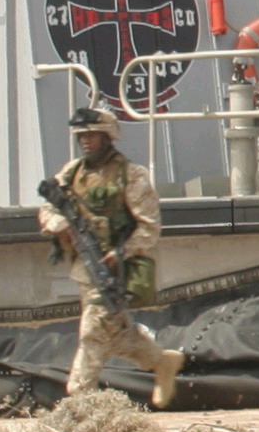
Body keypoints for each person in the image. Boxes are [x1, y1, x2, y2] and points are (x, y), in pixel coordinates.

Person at [35, 107, 186, 407]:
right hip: (85, 266)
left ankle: (78, 398)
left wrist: (121, 252)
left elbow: (149, 228)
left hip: (118, 269)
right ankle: (162, 363)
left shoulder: (131, 175)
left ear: (108, 137)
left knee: (93, 331)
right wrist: (61, 224)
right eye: (82, 135)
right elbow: (48, 208)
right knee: (113, 333)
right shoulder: (72, 172)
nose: (86, 141)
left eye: (92, 135)